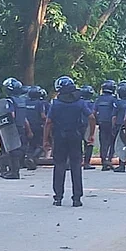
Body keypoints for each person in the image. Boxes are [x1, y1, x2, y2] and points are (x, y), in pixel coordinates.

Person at [44, 76, 94, 207]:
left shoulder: (55, 103)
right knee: (76, 166)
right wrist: (91, 135)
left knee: (59, 166)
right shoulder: (80, 102)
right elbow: (92, 117)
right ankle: (77, 198)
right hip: (76, 137)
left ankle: (58, 198)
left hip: (60, 138)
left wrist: (46, 140)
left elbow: (48, 122)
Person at [1, 77, 32, 179]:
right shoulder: (22, 101)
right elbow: (25, 118)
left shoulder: (9, 101)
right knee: (18, 149)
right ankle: (15, 170)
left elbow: (11, 114)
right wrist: (29, 130)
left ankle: (13, 172)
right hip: (21, 127)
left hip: (12, 127)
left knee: (12, 150)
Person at [93, 80, 117, 171]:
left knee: (103, 142)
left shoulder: (99, 99)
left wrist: (97, 121)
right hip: (110, 123)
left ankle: (104, 162)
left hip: (102, 123)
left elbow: (94, 112)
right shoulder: (113, 99)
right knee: (112, 142)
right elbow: (115, 113)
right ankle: (109, 160)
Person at [25, 86, 47, 170]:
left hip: (26, 126)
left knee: (30, 144)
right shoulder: (40, 103)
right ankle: (33, 158)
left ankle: (29, 160)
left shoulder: (25, 102)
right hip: (37, 127)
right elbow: (43, 116)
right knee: (41, 145)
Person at [113, 80, 126, 172]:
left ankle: (122, 165)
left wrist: (113, 126)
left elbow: (114, 117)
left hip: (121, 126)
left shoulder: (118, 103)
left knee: (121, 145)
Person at [79, 85, 96, 170]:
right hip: (88, 124)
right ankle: (86, 163)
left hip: (78, 125)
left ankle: (77, 162)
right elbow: (93, 114)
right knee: (89, 143)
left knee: (78, 144)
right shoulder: (91, 103)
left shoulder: (78, 102)